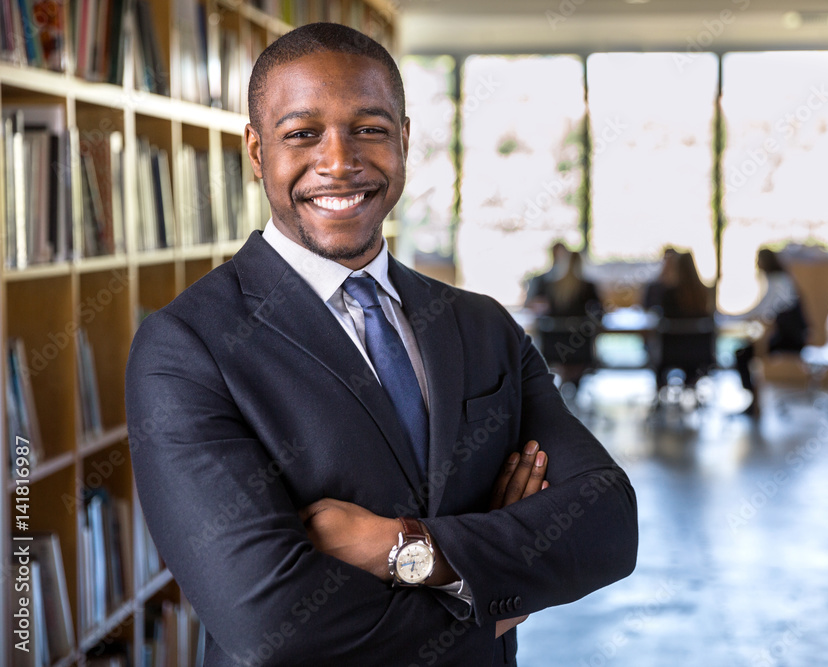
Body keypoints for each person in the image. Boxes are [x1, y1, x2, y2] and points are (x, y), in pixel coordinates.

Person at [124, 23, 637, 667]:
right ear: (256, 151)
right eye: (302, 133)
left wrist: (405, 546)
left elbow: (609, 525)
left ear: (404, 139)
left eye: (369, 128)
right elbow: (271, 624)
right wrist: (494, 596)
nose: (339, 161)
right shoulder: (184, 349)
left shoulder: (482, 325)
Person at [730, 248, 809, 417]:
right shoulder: (780, 279)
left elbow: (765, 308)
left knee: (743, 354)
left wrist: (740, 317)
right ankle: (754, 399)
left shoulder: (779, 281)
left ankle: (754, 401)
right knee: (745, 352)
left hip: (792, 339)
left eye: (758, 260)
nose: (757, 264)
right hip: (792, 336)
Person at [643, 248, 715, 391]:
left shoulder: (669, 294)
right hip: (698, 355)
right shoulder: (704, 294)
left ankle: (660, 392)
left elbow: (656, 316)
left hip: (670, 355)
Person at [531, 250, 603, 387]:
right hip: (579, 347)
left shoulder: (550, 285)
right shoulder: (588, 287)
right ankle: (573, 385)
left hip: (554, 348)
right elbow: (600, 314)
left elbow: (540, 313)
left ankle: (566, 385)